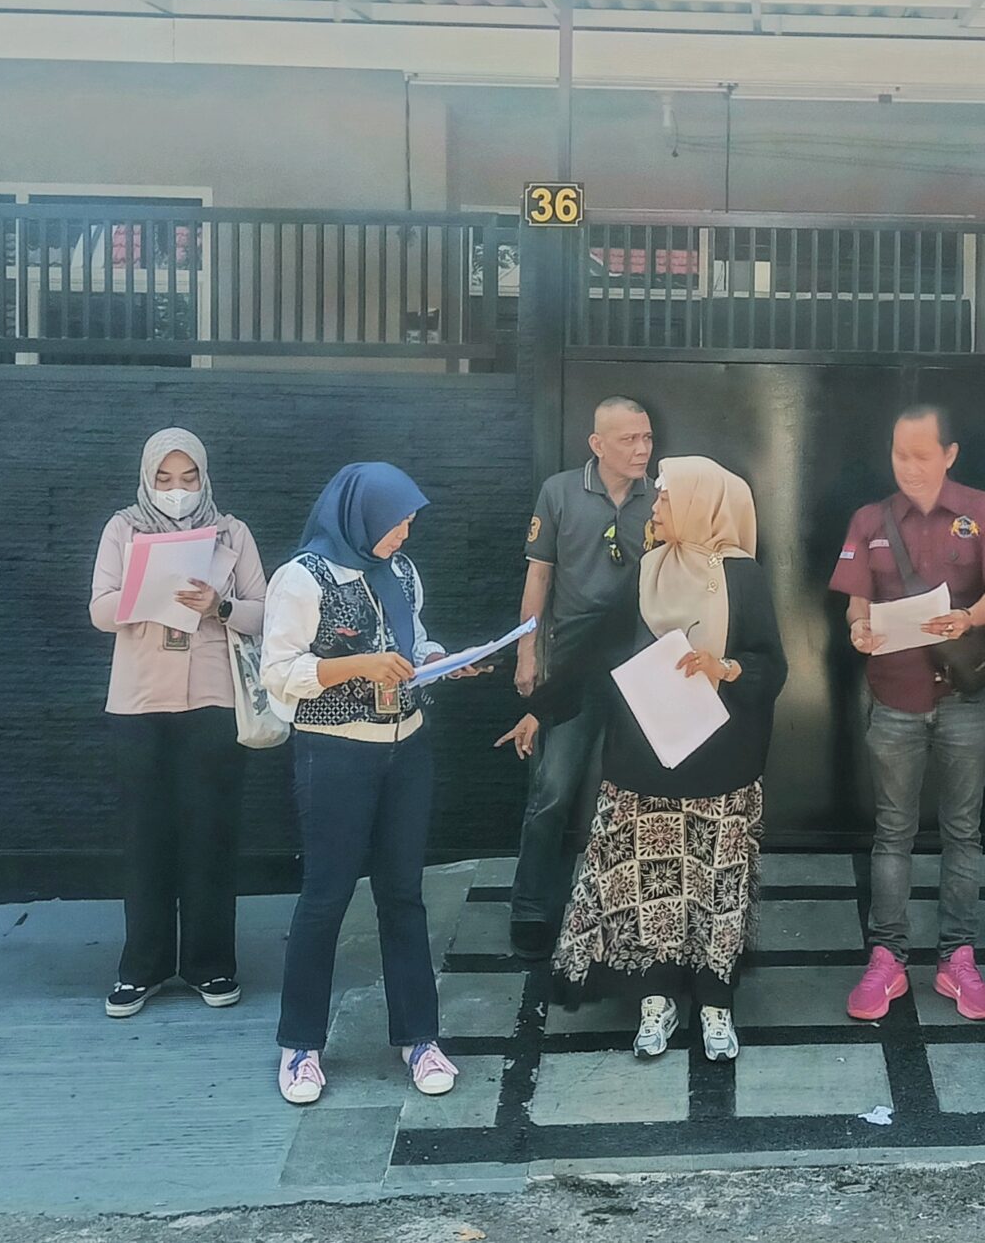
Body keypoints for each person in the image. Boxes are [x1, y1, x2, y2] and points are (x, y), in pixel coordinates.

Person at [497, 457, 783, 1061]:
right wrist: (541, 710)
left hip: (721, 765)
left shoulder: (743, 577)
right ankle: (657, 998)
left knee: (715, 886)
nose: (655, 507)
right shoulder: (647, 570)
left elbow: (770, 666)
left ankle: (715, 1002)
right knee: (652, 887)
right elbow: (595, 650)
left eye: (667, 498)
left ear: (701, 504)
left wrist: (725, 668)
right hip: (644, 761)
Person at [262, 462, 482, 1105]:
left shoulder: (401, 572)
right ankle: (300, 1045)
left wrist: (439, 660)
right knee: (325, 896)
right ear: (359, 519)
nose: (404, 534)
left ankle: (419, 1037)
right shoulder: (302, 578)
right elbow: (280, 671)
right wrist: (358, 665)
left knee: (403, 894)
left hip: (406, 747)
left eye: (409, 521)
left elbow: (412, 641)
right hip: (334, 751)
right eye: (395, 522)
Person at [830, 404, 985, 1023]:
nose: (909, 466)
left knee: (963, 832)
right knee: (893, 831)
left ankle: (956, 958)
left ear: (949, 454)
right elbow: (855, 601)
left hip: (964, 698)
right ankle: (886, 957)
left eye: (921, 455)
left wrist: (970, 618)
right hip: (894, 696)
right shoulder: (870, 519)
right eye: (899, 454)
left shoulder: (983, 510)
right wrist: (858, 627)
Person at [87, 427, 269, 1018]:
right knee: (145, 835)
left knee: (210, 833)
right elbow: (99, 609)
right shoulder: (124, 529)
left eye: (188, 477)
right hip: (138, 701)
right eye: (164, 478)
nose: (177, 489)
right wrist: (148, 590)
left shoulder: (232, 532)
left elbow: (263, 611)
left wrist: (219, 606)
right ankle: (141, 968)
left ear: (204, 477)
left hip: (213, 698)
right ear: (147, 478)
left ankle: (210, 964)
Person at [510, 397, 658, 960]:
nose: (642, 449)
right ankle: (531, 908)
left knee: (637, 791)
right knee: (553, 789)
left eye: (647, 438)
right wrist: (527, 652)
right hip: (572, 660)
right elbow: (539, 577)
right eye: (629, 439)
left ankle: (626, 913)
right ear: (597, 444)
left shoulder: (661, 497)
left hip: (639, 659)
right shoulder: (560, 492)